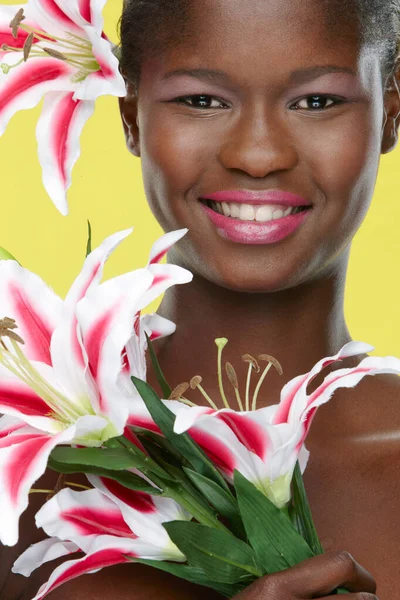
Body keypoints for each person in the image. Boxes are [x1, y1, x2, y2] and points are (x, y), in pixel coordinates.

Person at [1, 0, 400, 598]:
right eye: (201, 100)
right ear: (131, 118)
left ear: (391, 114)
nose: (258, 156)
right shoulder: (25, 478)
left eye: (317, 101)